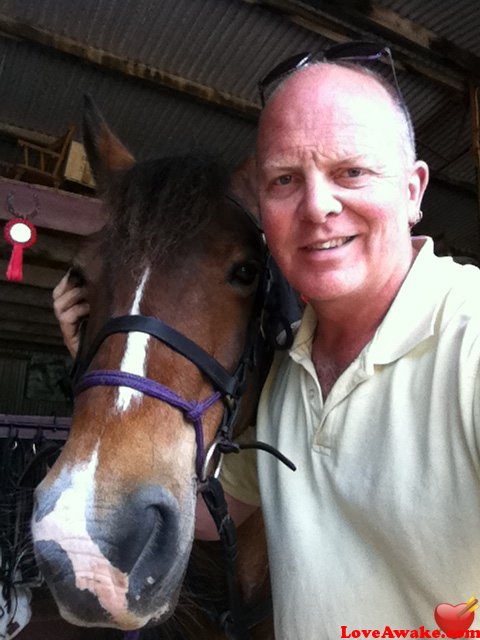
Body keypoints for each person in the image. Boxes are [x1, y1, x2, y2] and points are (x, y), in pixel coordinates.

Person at [53, 53, 480, 639]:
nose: (318, 207)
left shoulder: (471, 338)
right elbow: (221, 517)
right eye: (284, 180)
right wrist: (101, 358)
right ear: (266, 211)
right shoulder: (282, 374)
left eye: (352, 172)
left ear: (414, 191)